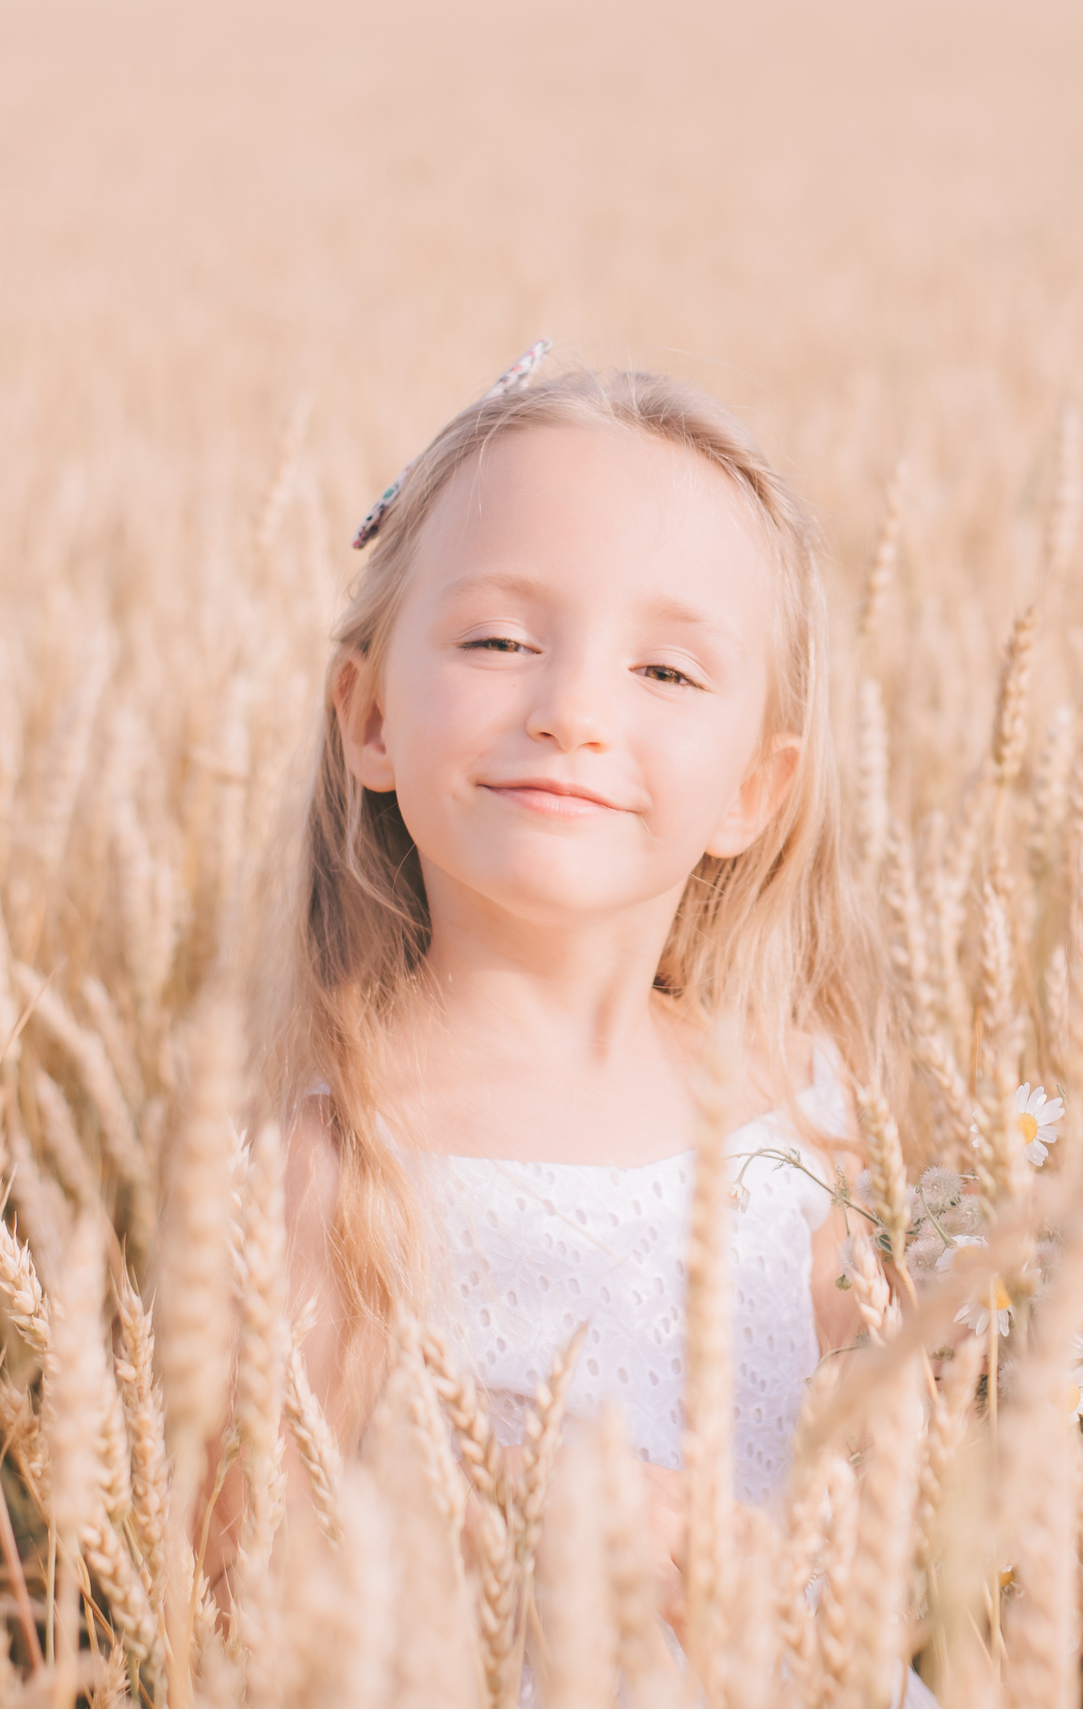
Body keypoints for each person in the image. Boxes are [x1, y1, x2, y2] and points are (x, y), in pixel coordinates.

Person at [263, 353, 912, 1689]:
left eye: (666, 671)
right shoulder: (342, 1155)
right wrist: (517, 1505)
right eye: (500, 640)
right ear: (370, 715)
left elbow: (903, 1482)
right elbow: (252, 1587)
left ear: (756, 789)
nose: (571, 712)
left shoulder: (806, 1100)